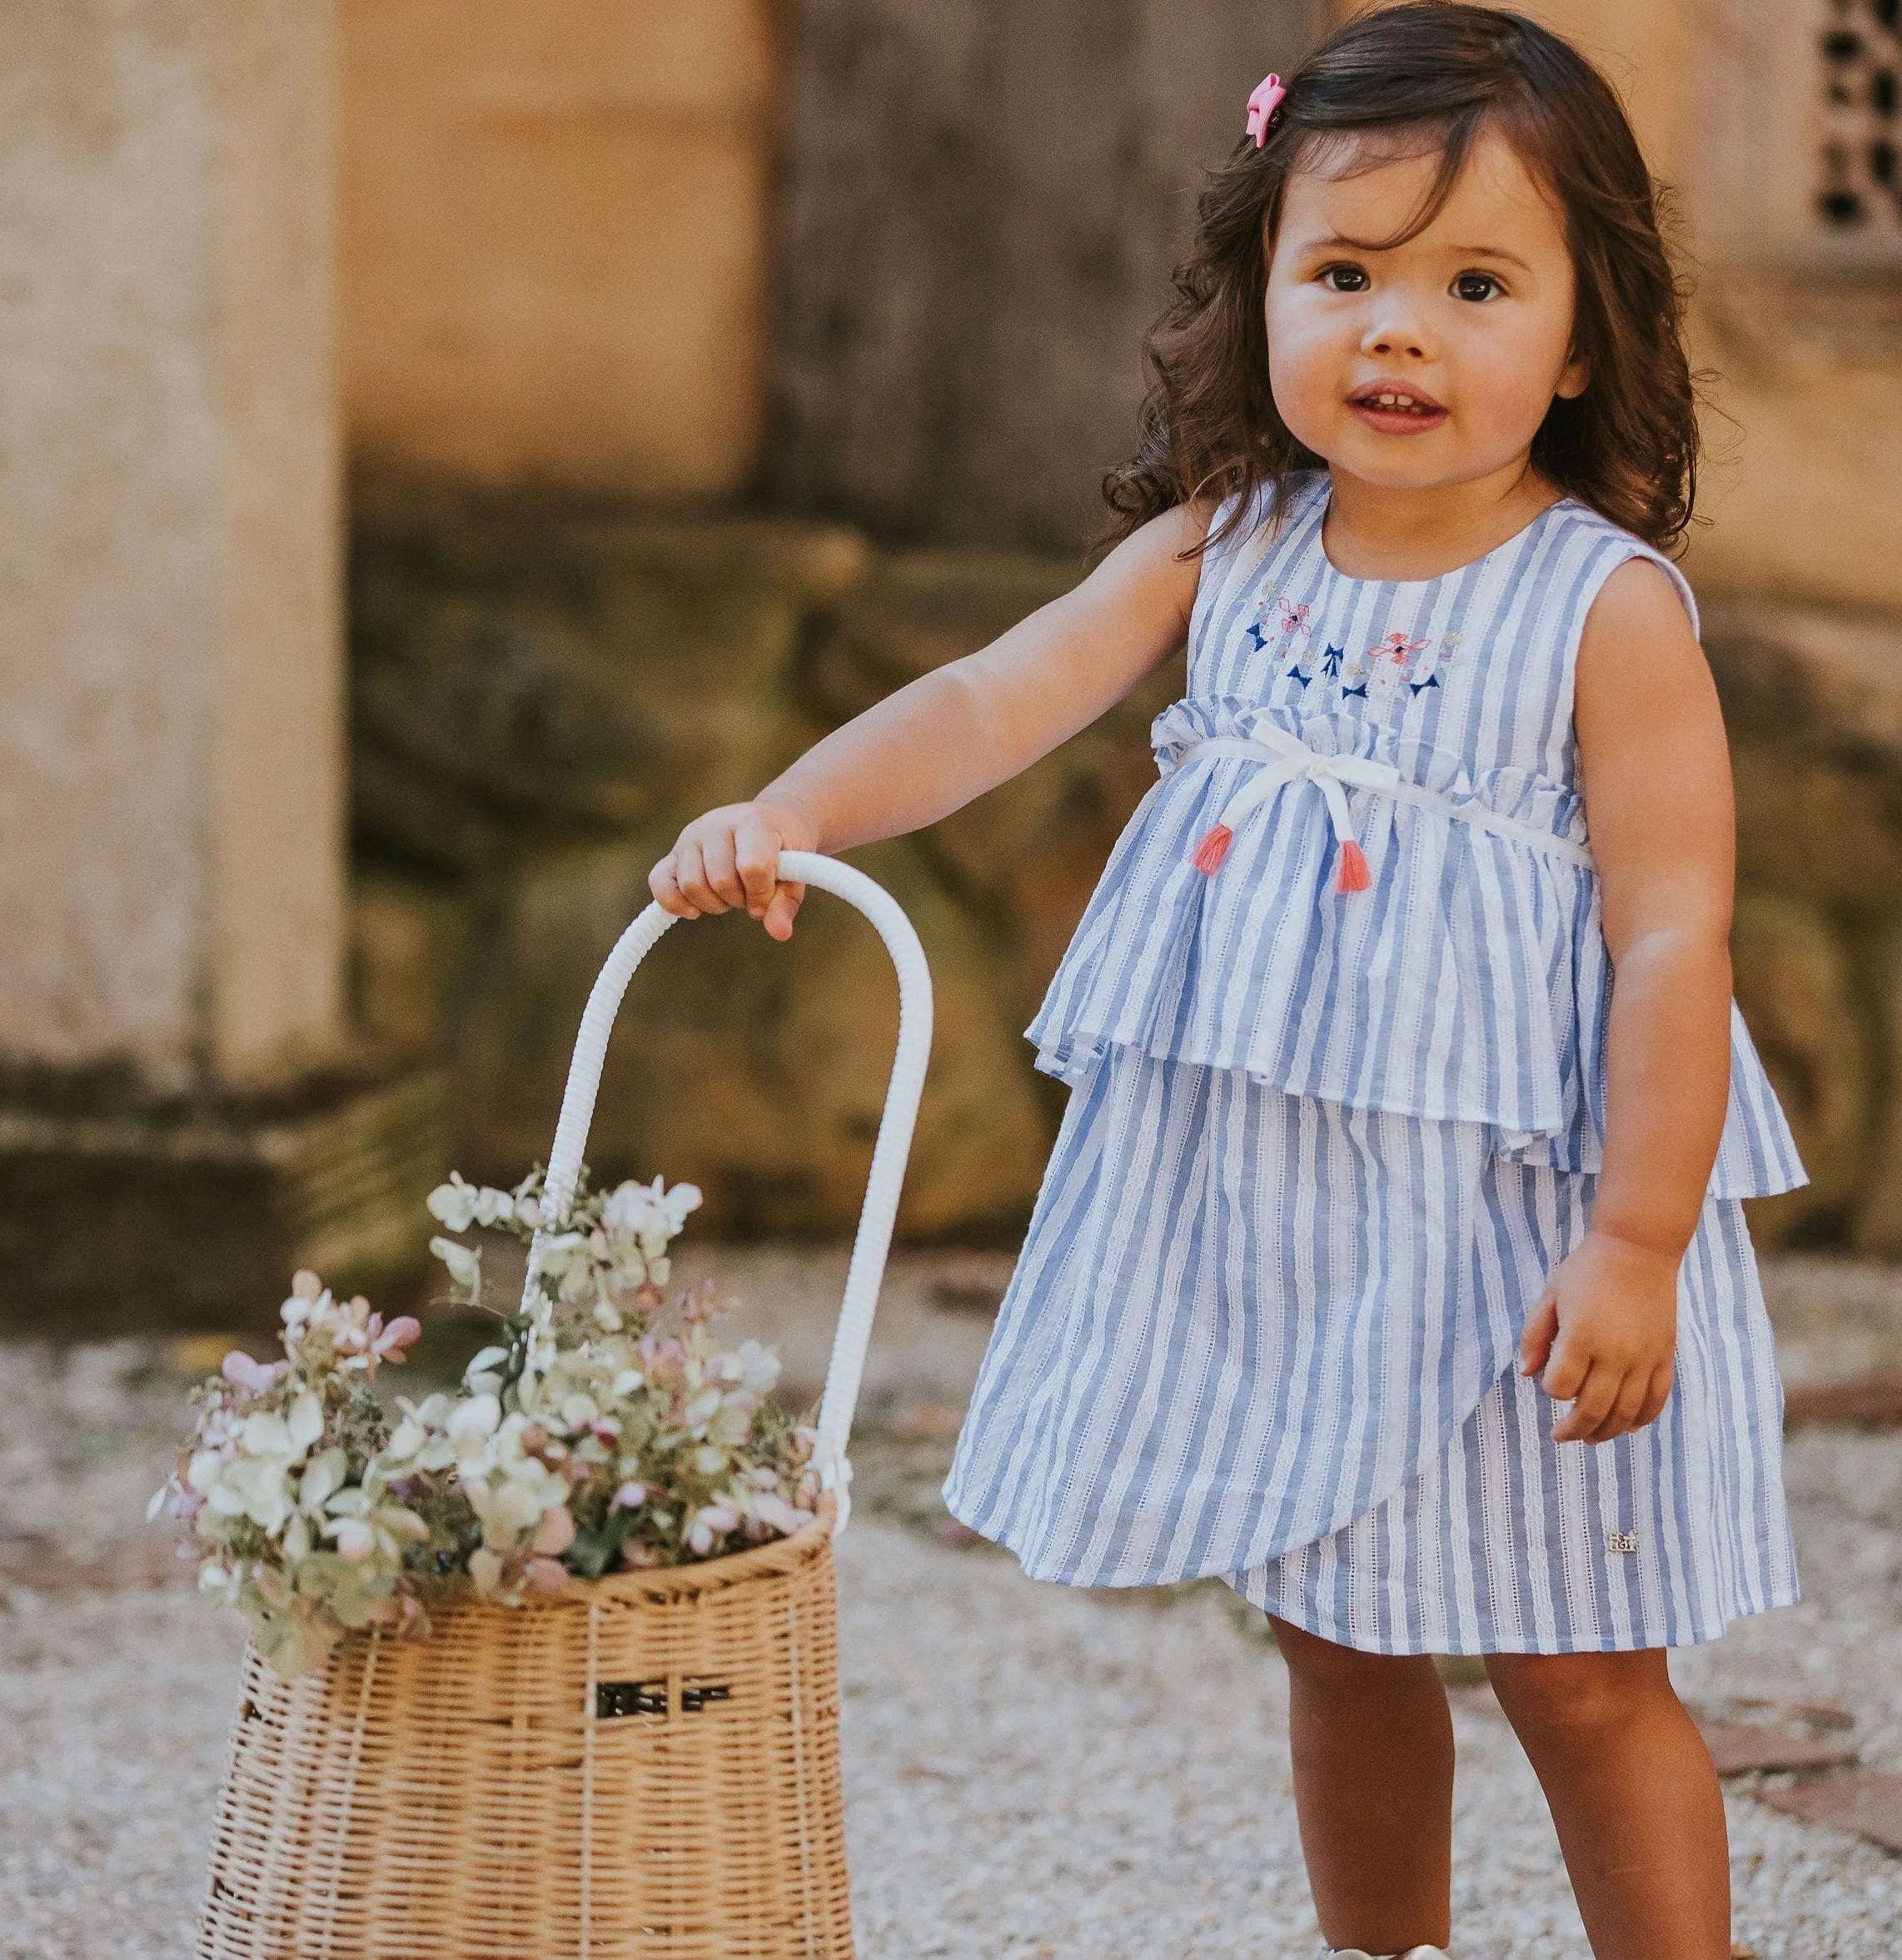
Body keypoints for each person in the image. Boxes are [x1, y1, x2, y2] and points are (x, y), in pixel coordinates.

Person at [650, 7, 1804, 1955]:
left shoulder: (1596, 612)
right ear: (1257, 291)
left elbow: (1673, 933)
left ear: (1585, 334)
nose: (1397, 331)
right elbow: (991, 696)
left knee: (1578, 1664)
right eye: (1341, 272)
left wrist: (1634, 1239)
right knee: (1335, 1630)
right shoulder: (1229, 550)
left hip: (1527, 1235)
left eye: (1474, 282)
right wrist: (792, 809)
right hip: (1291, 1239)